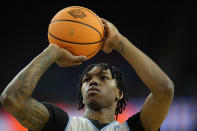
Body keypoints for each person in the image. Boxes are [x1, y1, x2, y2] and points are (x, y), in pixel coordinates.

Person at [0, 18, 174, 131]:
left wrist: (118, 41)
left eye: (103, 77)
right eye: (87, 79)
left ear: (119, 92)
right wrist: (51, 52)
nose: (93, 82)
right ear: (81, 93)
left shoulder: (133, 128)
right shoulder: (61, 124)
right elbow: (12, 99)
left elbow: (164, 90)